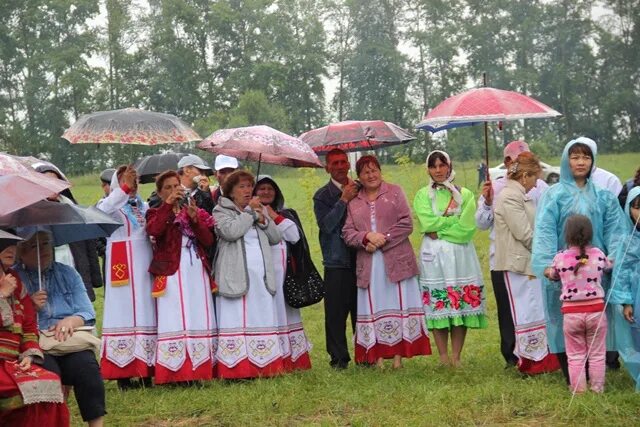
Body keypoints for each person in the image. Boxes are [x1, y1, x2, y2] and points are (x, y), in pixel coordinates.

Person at [532, 138, 626, 384]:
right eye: (575, 157)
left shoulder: (604, 197)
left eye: (586, 157)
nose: (581, 162)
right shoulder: (553, 196)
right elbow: (544, 231)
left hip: (597, 272)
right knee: (563, 321)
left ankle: (597, 373)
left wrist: (613, 259)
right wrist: (546, 265)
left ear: (593, 161)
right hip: (563, 274)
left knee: (596, 320)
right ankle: (573, 375)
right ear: (566, 160)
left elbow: (616, 230)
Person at [342, 156, 431, 369]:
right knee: (375, 305)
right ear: (359, 177)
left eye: (374, 170)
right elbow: (347, 232)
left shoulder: (395, 192)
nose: (371, 175)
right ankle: (379, 357)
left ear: (380, 171)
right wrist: (366, 238)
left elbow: (406, 224)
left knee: (397, 304)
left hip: (396, 260)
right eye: (365, 172)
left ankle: (398, 358)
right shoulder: (354, 202)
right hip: (369, 263)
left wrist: (383, 239)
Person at [15, 230, 106, 426]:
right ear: (21, 252)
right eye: (35, 246)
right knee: (49, 374)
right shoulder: (14, 278)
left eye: (46, 243)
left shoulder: (68, 272)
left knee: (88, 370)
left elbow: (87, 312)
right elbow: (10, 319)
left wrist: (71, 321)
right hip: (37, 343)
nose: (44, 250)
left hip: (68, 341)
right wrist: (29, 306)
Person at [476, 140, 548, 368]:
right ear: (508, 162)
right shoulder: (496, 188)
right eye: (513, 160)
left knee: (534, 306)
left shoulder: (542, 187)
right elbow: (481, 223)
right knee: (509, 309)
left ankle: (537, 352)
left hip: (531, 257)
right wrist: (487, 204)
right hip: (505, 256)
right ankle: (513, 354)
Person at [414, 150, 487, 367]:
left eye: (442, 165)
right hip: (433, 256)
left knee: (460, 300)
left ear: (449, 166)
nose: (438, 170)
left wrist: (441, 228)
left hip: (460, 255)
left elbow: (466, 228)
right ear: (428, 169)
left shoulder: (465, 195)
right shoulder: (422, 195)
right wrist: (448, 223)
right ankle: (443, 356)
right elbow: (427, 223)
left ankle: (456, 356)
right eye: (433, 166)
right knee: (438, 303)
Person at [145, 171, 217, 384]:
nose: (174, 190)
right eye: (168, 187)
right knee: (175, 316)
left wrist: (195, 220)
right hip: (171, 272)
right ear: (159, 192)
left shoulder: (192, 210)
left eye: (176, 185)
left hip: (196, 270)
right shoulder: (154, 212)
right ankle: (176, 372)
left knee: (198, 314)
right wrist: (167, 205)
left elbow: (208, 241)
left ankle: (200, 369)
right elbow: (155, 230)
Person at [212, 170, 284, 378]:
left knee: (260, 316)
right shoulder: (221, 210)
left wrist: (263, 219)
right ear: (231, 192)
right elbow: (230, 232)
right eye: (241, 187)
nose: (247, 191)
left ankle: (265, 365)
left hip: (260, 276)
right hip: (236, 276)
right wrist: (250, 214)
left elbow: (275, 237)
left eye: (249, 186)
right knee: (237, 319)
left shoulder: (258, 209)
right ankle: (237, 369)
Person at [493, 152, 559, 374]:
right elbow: (524, 233)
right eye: (534, 178)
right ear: (524, 176)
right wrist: (547, 253)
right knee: (524, 312)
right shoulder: (509, 196)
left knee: (534, 310)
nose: (536, 183)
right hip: (517, 264)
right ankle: (530, 360)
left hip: (528, 263)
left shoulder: (520, 194)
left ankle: (541, 358)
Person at [0, 230, 70, 426]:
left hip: (12, 362)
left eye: (14, 243)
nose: (11, 249)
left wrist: (29, 355)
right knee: (15, 391)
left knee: (50, 383)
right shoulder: (8, 285)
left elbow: (29, 326)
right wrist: (2, 295)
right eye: (4, 243)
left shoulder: (16, 280)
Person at [96, 165, 156, 389]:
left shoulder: (143, 205)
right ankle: (123, 372)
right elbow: (102, 212)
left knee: (145, 309)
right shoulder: (110, 204)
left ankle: (145, 369)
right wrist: (123, 187)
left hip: (143, 262)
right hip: (122, 261)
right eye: (127, 178)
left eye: (135, 178)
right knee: (123, 313)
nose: (133, 182)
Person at [254, 175, 312, 371]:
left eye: (270, 188)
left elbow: (294, 237)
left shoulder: (286, 214)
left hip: (284, 273)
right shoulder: (249, 214)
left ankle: (291, 359)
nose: (266, 192)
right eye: (261, 189)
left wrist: (274, 216)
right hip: (261, 273)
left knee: (285, 311)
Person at [549, 214, 612, 393]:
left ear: (566, 235)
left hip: (571, 314)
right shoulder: (598, 255)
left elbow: (553, 274)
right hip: (597, 312)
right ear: (590, 233)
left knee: (575, 355)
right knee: (597, 353)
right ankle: (597, 388)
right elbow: (608, 267)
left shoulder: (560, 258)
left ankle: (578, 390)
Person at [313, 148, 359, 369]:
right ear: (327, 167)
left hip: (362, 258)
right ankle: (339, 358)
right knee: (336, 313)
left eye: (343, 162)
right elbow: (327, 225)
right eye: (335, 163)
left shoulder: (361, 188)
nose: (340, 166)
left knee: (362, 309)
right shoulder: (322, 196)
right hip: (336, 259)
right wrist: (343, 200)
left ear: (349, 163)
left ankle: (367, 353)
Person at [34, 163, 103, 302]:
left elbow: (88, 244)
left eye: (56, 181)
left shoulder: (73, 208)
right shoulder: (31, 212)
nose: (52, 185)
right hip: (47, 268)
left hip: (74, 263)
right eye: (47, 181)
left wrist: (95, 277)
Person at [610, 187, 640, 390]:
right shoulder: (625, 239)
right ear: (629, 209)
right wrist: (625, 301)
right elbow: (620, 273)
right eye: (637, 208)